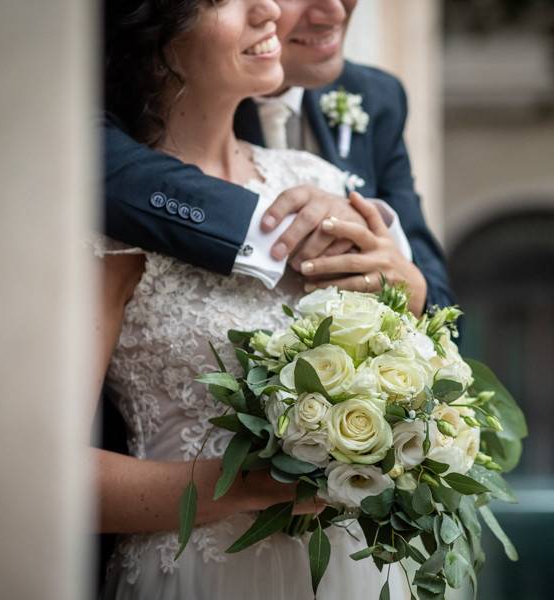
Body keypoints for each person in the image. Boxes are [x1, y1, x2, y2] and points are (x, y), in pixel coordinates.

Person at [95, 1, 412, 597]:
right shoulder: (113, 223)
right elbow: (48, 478)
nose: (269, 8)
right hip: (196, 569)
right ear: (156, 34)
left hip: (352, 568)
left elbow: (415, 340)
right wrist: (254, 485)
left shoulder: (320, 183)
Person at [102, 0, 453, 312]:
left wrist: (407, 286)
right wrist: (284, 232)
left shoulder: (375, 97)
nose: (334, 11)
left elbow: (442, 310)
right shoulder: (139, 115)